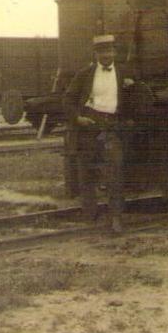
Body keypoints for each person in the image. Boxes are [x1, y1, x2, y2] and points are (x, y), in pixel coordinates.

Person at [62, 34, 134, 233]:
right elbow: (67, 100)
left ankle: (116, 218)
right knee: (86, 174)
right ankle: (90, 216)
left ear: (115, 53)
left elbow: (136, 99)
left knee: (115, 174)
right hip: (88, 126)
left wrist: (127, 119)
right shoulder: (84, 74)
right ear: (95, 54)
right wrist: (78, 118)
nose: (105, 55)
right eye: (101, 51)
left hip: (111, 127)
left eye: (109, 50)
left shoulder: (123, 74)